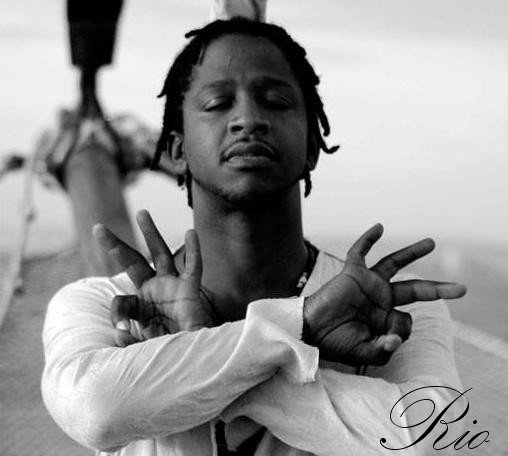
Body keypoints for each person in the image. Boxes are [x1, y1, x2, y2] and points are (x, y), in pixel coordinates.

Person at [41, 18, 467, 455]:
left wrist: (194, 353)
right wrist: (300, 326)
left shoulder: (395, 309)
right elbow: (94, 410)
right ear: (177, 150)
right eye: (217, 103)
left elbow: (439, 441)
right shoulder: (99, 303)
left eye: (276, 101)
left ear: (311, 147)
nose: (247, 119)